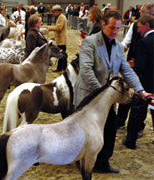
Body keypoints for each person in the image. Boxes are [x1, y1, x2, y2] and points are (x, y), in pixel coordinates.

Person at [73, 10, 153, 174]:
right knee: (84, 132)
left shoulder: (117, 46)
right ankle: (81, 160)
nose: (115, 32)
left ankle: (103, 162)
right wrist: (103, 92)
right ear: (103, 25)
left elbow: (127, 71)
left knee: (109, 129)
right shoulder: (90, 43)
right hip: (89, 96)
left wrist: (141, 91)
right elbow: (86, 71)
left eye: (117, 28)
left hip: (107, 99)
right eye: (112, 28)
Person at [116, 2, 154, 135]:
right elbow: (126, 43)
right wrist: (115, 52)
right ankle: (120, 121)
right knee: (126, 93)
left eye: (144, 13)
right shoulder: (135, 26)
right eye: (142, 12)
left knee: (143, 102)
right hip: (132, 67)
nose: (141, 15)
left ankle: (138, 127)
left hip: (147, 71)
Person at [46, 4, 68, 73]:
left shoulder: (61, 17)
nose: (53, 13)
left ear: (57, 11)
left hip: (62, 40)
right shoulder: (60, 17)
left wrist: (49, 28)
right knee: (60, 54)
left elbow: (59, 27)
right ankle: (59, 68)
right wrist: (54, 37)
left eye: (53, 12)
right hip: (60, 39)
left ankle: (64, 69)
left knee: (63, 55)